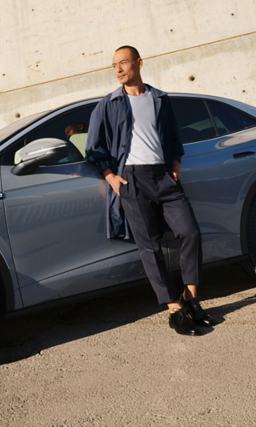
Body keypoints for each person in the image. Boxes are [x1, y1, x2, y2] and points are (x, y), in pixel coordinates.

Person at [85, 45, 216, 336]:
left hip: (163, 175)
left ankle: (192, 299)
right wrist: (111, 177)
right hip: (131, 180)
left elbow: (172, 136)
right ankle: (174, 308)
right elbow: (93, 147)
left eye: (123, 63)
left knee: (190, 232)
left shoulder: (159, 99)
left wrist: (176, 164)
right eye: (114, 65)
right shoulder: (108, 104)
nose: (118, 69)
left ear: (139, 63)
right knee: (150, 245)